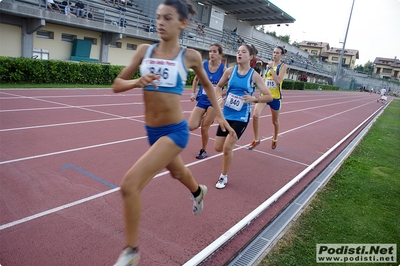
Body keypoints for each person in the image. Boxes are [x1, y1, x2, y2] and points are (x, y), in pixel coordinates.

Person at [111, 1, 236, 265]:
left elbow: (209, 86)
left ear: (182, 23)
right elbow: (117, 84)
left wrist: (221, 116)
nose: (160, 22)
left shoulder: (188, 56)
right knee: (177, 172)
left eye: (167, 18)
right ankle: (198, 191)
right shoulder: (145, 51)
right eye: (158, 17)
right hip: (152, 132)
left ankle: (131, 252)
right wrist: (137, 81)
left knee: (129, 185)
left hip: (175, 131)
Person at [213, 44, 273, 189]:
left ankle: (223, 177)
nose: (239, 54)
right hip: (226, 114)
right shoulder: (229, 71)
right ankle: (229, 155)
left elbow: (269, 96)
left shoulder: (254, 75)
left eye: (243, 52)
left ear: (250, 56)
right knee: (217, 147)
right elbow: (218, 86)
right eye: (238, 51)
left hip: (241, 117)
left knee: (227, 147)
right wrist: (218, 98)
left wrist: (255, 99)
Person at [189, 43, 226, 159]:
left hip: (214, 102)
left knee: (204, 127)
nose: (211, 54)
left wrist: (219, 95)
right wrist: (193, 93)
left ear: (220, 54)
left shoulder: (224, 70)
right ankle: (207, 118)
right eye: (210, 51)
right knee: (191, 126)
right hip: (202, 99)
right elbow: (195, 79)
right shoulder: (203, 65)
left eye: (215, 51)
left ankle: (203, 150)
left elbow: (230, 87)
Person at [248, 46, 287, 150]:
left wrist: (271, 69)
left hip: (275, 98)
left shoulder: (283, 66)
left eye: (277, 53)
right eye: (274, 52)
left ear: (282, 55)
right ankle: (256, 139)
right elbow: (265, 79)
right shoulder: (268, 64)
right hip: (265, 96)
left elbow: (278, 81)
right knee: (255, 115)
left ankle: (275, 138)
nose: (275, 54)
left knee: (275, 121)